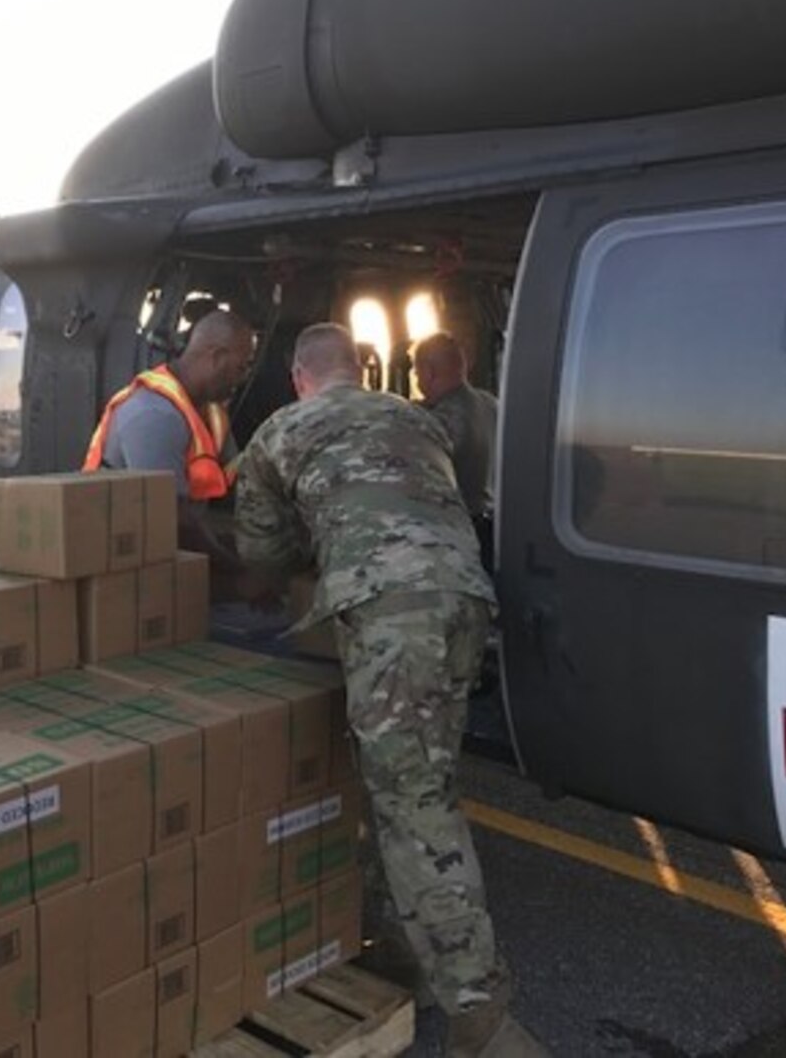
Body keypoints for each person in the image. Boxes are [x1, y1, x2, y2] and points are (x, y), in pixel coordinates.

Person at [234, 323, 544, 1058]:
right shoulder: (415, 416)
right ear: (359, 368)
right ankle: (402, 940)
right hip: (466, 599)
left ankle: (483, 1017)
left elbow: (262, 552)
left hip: (391, 614)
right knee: (416, 776)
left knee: (415, 805)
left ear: (300, 377)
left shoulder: (281, 430)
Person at [83, 308, 256, 571]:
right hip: (128, 557)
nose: (242, 378)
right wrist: (236, 572)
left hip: (180, 542)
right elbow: (171, 519)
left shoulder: (211, 411)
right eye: (240, 368)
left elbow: (238, 479)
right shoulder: (154, 415)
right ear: (217, 357)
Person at [412, 331, 499, 518]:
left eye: (417, 373)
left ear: (429, 372)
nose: (418, 380)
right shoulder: (492, 404)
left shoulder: (439, 420)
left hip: (461, 528)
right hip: (494, 524)